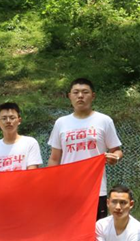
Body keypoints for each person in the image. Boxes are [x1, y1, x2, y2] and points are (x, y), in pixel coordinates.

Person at [48, 78, 123, 220]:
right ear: (69, 96)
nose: (80, 96)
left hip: (96, 189)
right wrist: (51, 185)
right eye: (76, 92)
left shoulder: (104, 120)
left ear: (93, 96)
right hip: (67, 190)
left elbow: (116, 150)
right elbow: (54, 158)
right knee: (68, 229)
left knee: (96, 229)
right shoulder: (61, 123)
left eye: (85, 92)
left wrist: (116, 157)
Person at [0, 102, 42, 172]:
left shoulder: (30, 143)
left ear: (19, 120)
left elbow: (33, 173)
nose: (8, 121)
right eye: (4, 118)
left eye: (12, 118)